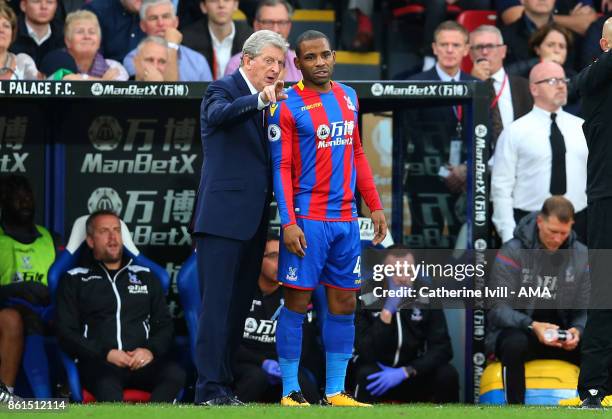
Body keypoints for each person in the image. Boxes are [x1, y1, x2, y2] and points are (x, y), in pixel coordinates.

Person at [267, 29, 387, 407]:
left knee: (345, 304)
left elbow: (358, 154)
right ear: (297, 62)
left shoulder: (349, 97)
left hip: (346, 221)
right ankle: (290, 390)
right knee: (297, 305)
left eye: (325, 55)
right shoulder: (286, 103)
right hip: (307, 221)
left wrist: (375, 203)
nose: (319, 63)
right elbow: (280, 167)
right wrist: (288, 222)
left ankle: (335, 391)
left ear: (333, 56)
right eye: (310, 57)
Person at [191, 29, 287, 406]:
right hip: (220, 221)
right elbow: (220, 115)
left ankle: (223, 387)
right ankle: (207, 389)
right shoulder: (223, 88)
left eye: (280, 63)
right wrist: (261, 99)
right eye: (269, 61)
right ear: (248, 61)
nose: (275, 69)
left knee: (235, 310)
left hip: (253, 222)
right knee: (215, 309)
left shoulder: (273, 102)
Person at [55, 210, 185, 402]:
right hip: (100, 363)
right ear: (90, 241)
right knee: (107, 386)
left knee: (175, 373)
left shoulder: (145, 276)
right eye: (104, 231)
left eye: (117, 230)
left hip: (141, 361)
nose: (113, 237)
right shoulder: (74, 279)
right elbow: (65, 332)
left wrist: (149, 351)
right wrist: (106, 353)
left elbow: (165, 325)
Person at [487, 196, 589, 404]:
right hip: (524, 332)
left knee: (601, 342)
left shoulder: (581, 254)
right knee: (514, 343)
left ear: (571, 226)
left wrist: (577, 330)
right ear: (540, 222)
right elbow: (497, 308)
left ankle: (597, 406)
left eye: (563, 233)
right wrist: (532, 325)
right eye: (552, 231)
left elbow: (586, 308)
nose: (557, 239)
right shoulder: (512, 251)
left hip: (564, 337)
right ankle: (515, 410)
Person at [491, 61, 588, 244]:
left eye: (563, 80)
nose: (561, 85)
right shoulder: (515, 131)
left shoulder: (582, 127)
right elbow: (501, 187)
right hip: (528, 223)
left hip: (578, 223)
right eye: (552, 81)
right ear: (534, 89)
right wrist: (509, 235)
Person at [352, 246, 459, 403]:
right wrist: (387, 311)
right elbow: (365, 350)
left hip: (412, 373)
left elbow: (443, 349)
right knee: (365, 374)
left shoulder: (426, 296)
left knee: (447, 374)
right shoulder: (365, 296)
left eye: (408, 271)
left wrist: (408, 370)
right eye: (395, 272)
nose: (403, 278)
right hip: (378, 373)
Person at [403, 21, 476, 248]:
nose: (450, 50)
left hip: (466, 183)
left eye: (456, 44)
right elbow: (411, 134)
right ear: (434, 48)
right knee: (425, 248)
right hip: (425, 180)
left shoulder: (479, 85)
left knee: (462, 249)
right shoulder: (414, 85)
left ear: (466, 49)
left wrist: (466, 168)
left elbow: (487, 136)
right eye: (444, 44)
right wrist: (444, 170)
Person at [232, 232, 321, 403]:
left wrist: (285, 365)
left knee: (302, 384)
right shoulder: (239, 292)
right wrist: (262, 362)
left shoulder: (295, 294)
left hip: (284, 363)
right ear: (258, 260)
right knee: (256, 378)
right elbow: (228, 342)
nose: (281, 262)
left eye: (285, 256)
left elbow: (305, 341)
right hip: (245, 361)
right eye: (273, 256)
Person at [574, 16, 612, 409]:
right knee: (605, 295)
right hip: (607, 199)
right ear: (604, 45)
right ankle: (594, 389)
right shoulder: (594, 80)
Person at [469, 24, 532, 145]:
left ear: (503, 51)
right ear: (471, 54)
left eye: (490, 46)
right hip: (478, 159)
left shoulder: (525, 86)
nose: (485, 52)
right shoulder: (464, 87)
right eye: (478, 47)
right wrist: (475, 85)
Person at [123, 0, 212, 81]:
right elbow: (168, 91)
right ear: (143, 25)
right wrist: (172, 46)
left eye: (166, 17)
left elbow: (211, 97)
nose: (160, 23)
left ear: (176, 22)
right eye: (153, 18)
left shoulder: (198, 61)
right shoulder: (133, 57)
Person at [40, 10, 129, 80]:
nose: (87, 36)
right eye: (80, 31)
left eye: (92, 32)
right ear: (67, 41)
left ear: (99, 41)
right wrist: (103, 82)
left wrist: (81, 79)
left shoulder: (113, 67)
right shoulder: (55, 61)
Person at [225, 0, 300, 82]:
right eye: (269, 22)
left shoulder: (301, 64)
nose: (276, 29)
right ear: (256, 26)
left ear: (289, 26)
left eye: (281, 22)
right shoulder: (236, 65)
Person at [182, 0, 252, 79]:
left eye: (226, 0)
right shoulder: (188, 39)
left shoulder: (251, 38)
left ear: (236, 4)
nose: (221, 5)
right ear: (203, 7)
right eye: (214, 1)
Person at [9, 0, 64, 67]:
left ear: (56, 6)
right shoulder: (9, 33)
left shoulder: (64, 34)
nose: (44, 7)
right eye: (36, 1)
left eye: (49, 2)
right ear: (23, 6)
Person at [0, 2, 38, 80]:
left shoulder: (23, 63)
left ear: (12, 33)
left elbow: (44, 87)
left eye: (6, 26)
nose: (1, 30)